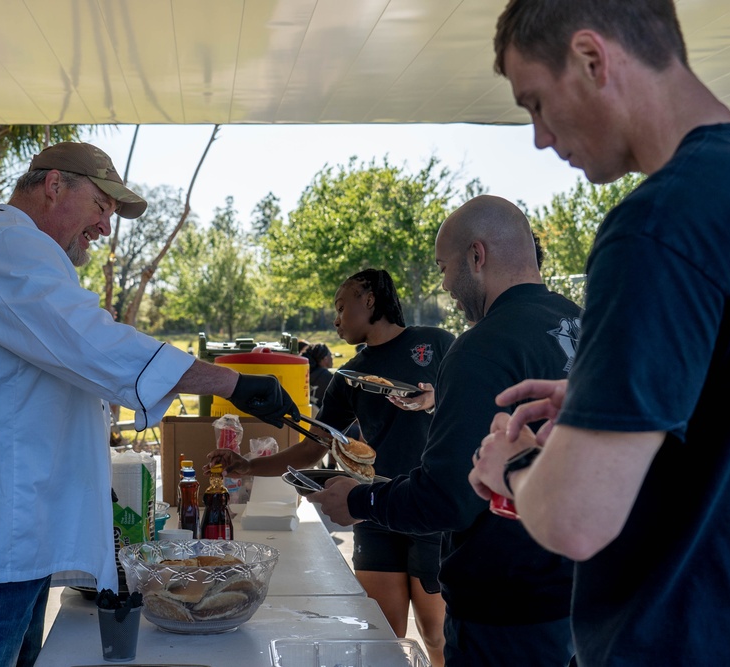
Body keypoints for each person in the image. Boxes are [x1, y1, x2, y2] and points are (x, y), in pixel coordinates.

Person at [470, 2, 730, 666]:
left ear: (593, 59)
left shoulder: (664, 219)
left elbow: (576, 518)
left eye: (536, 103)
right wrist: (610, 397)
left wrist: (511, 468)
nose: (539, 137)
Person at [0, 142, 298, 667]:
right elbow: (94, 343)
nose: (104, 228)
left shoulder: (13, 250)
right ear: (54, 185)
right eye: (102, 208)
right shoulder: (5, 246)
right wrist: (229, 382)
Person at [310, 197, 580, 666]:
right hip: (587, 597)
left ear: (477, 256)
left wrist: (358, 500)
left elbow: (447, 497)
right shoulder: (589, 325)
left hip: (507, 613)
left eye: (444, 266)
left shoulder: (481, 347)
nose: (444, 284)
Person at [210, 268, 453, 666]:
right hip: (375, 510)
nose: (336, 320)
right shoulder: (348, 377)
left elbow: (479, 402)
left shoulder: (436, 343)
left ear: (369, 300)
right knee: (383, 639)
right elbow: (313, 448)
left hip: (432, 509)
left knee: (436, 635)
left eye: (342, 307)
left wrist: (435, 398)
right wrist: (248, 466)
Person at [302, 342, 334, 412]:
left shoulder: (303, 373)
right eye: (331, 355)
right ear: (325, 359)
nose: (332, 358)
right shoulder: (328, 377)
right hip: (319, 419)